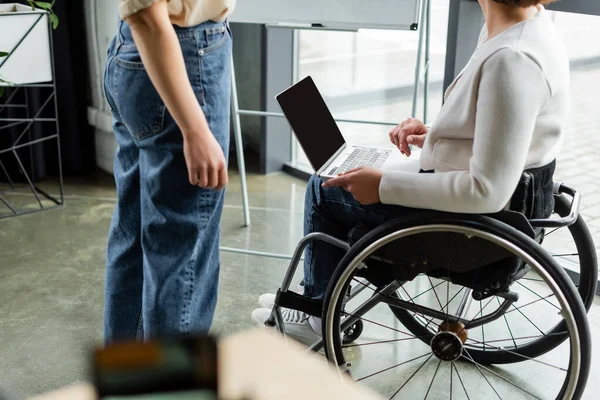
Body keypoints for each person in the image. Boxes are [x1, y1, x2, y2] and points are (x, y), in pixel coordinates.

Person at [252, 0, 568, 345]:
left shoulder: (513, 59)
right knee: (345, 165)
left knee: (323, 187)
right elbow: (502, 133)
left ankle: (316, 313)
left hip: (473, 219)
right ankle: (326, 288)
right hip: (475, 189)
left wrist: (383, 187)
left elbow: (487, 191)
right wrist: (435, 136)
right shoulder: (525, 28)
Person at [103, 0, 235, 342]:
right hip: (180, 56)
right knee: (182, 253)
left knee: (134, 237)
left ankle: (130, 385)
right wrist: (195, 129)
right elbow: (146, 14)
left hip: (144, 54)